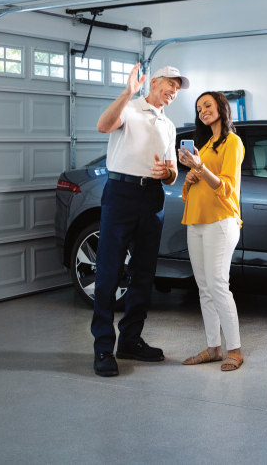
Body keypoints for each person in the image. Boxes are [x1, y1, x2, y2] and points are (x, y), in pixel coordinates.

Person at [91, 63, 188, 377]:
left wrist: (169, 173)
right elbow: (103, 126)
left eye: (177, 88)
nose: (173, 91)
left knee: (144, 273)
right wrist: (127, 92)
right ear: (155, 82)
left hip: (153, 197)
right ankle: (104, 347)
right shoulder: (130, 109)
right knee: (108, 273)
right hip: (121, 193)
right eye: (170, 84)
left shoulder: (168, 125)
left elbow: (172, 173)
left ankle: (130, 339)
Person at [177, 91, 245, 371]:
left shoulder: (233, 142)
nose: (203, 110)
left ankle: (235, 350)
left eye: (208, 105)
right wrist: (191, 176)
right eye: (199, 108)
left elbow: (225, 186)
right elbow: (186, 194)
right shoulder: (203, 146)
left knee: (218, 284)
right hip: (196, 221)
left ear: (220, 107)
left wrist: (201, 169)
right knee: (204, 287)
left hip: (221, 221)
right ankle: (213, 348)